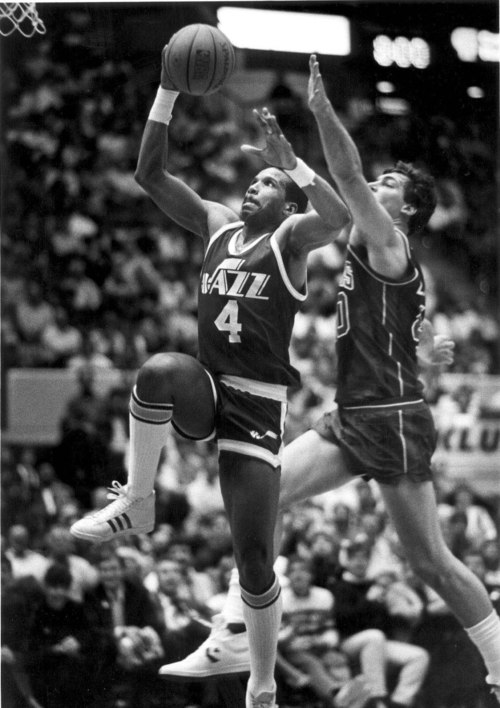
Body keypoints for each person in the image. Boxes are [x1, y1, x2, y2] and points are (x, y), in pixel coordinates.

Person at [157, 55, 500, 704]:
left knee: (429, 562)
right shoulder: (377, 252)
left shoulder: (389, 241)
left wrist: (318, 111)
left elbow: (344, 175)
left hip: (391, 420)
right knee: (266, 497)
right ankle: (235, 625)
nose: (381, 181)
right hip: (355, 414)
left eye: (392, 182)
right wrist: (430, 355)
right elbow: (408, 337)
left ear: (408, 208)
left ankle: (499, 660)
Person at [70, 45, 351, 708]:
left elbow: (338, 216)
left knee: (254, 558)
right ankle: (138, 501)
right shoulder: (217, 225)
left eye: (268, 185)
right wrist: (168, 89)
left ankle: (260, 682)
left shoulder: (289, 242)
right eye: (256, 179)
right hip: (208, 386)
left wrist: (295, 166)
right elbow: (149, 173)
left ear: (285, 206)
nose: (254, 184)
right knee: (159, 370)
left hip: (257, 405)